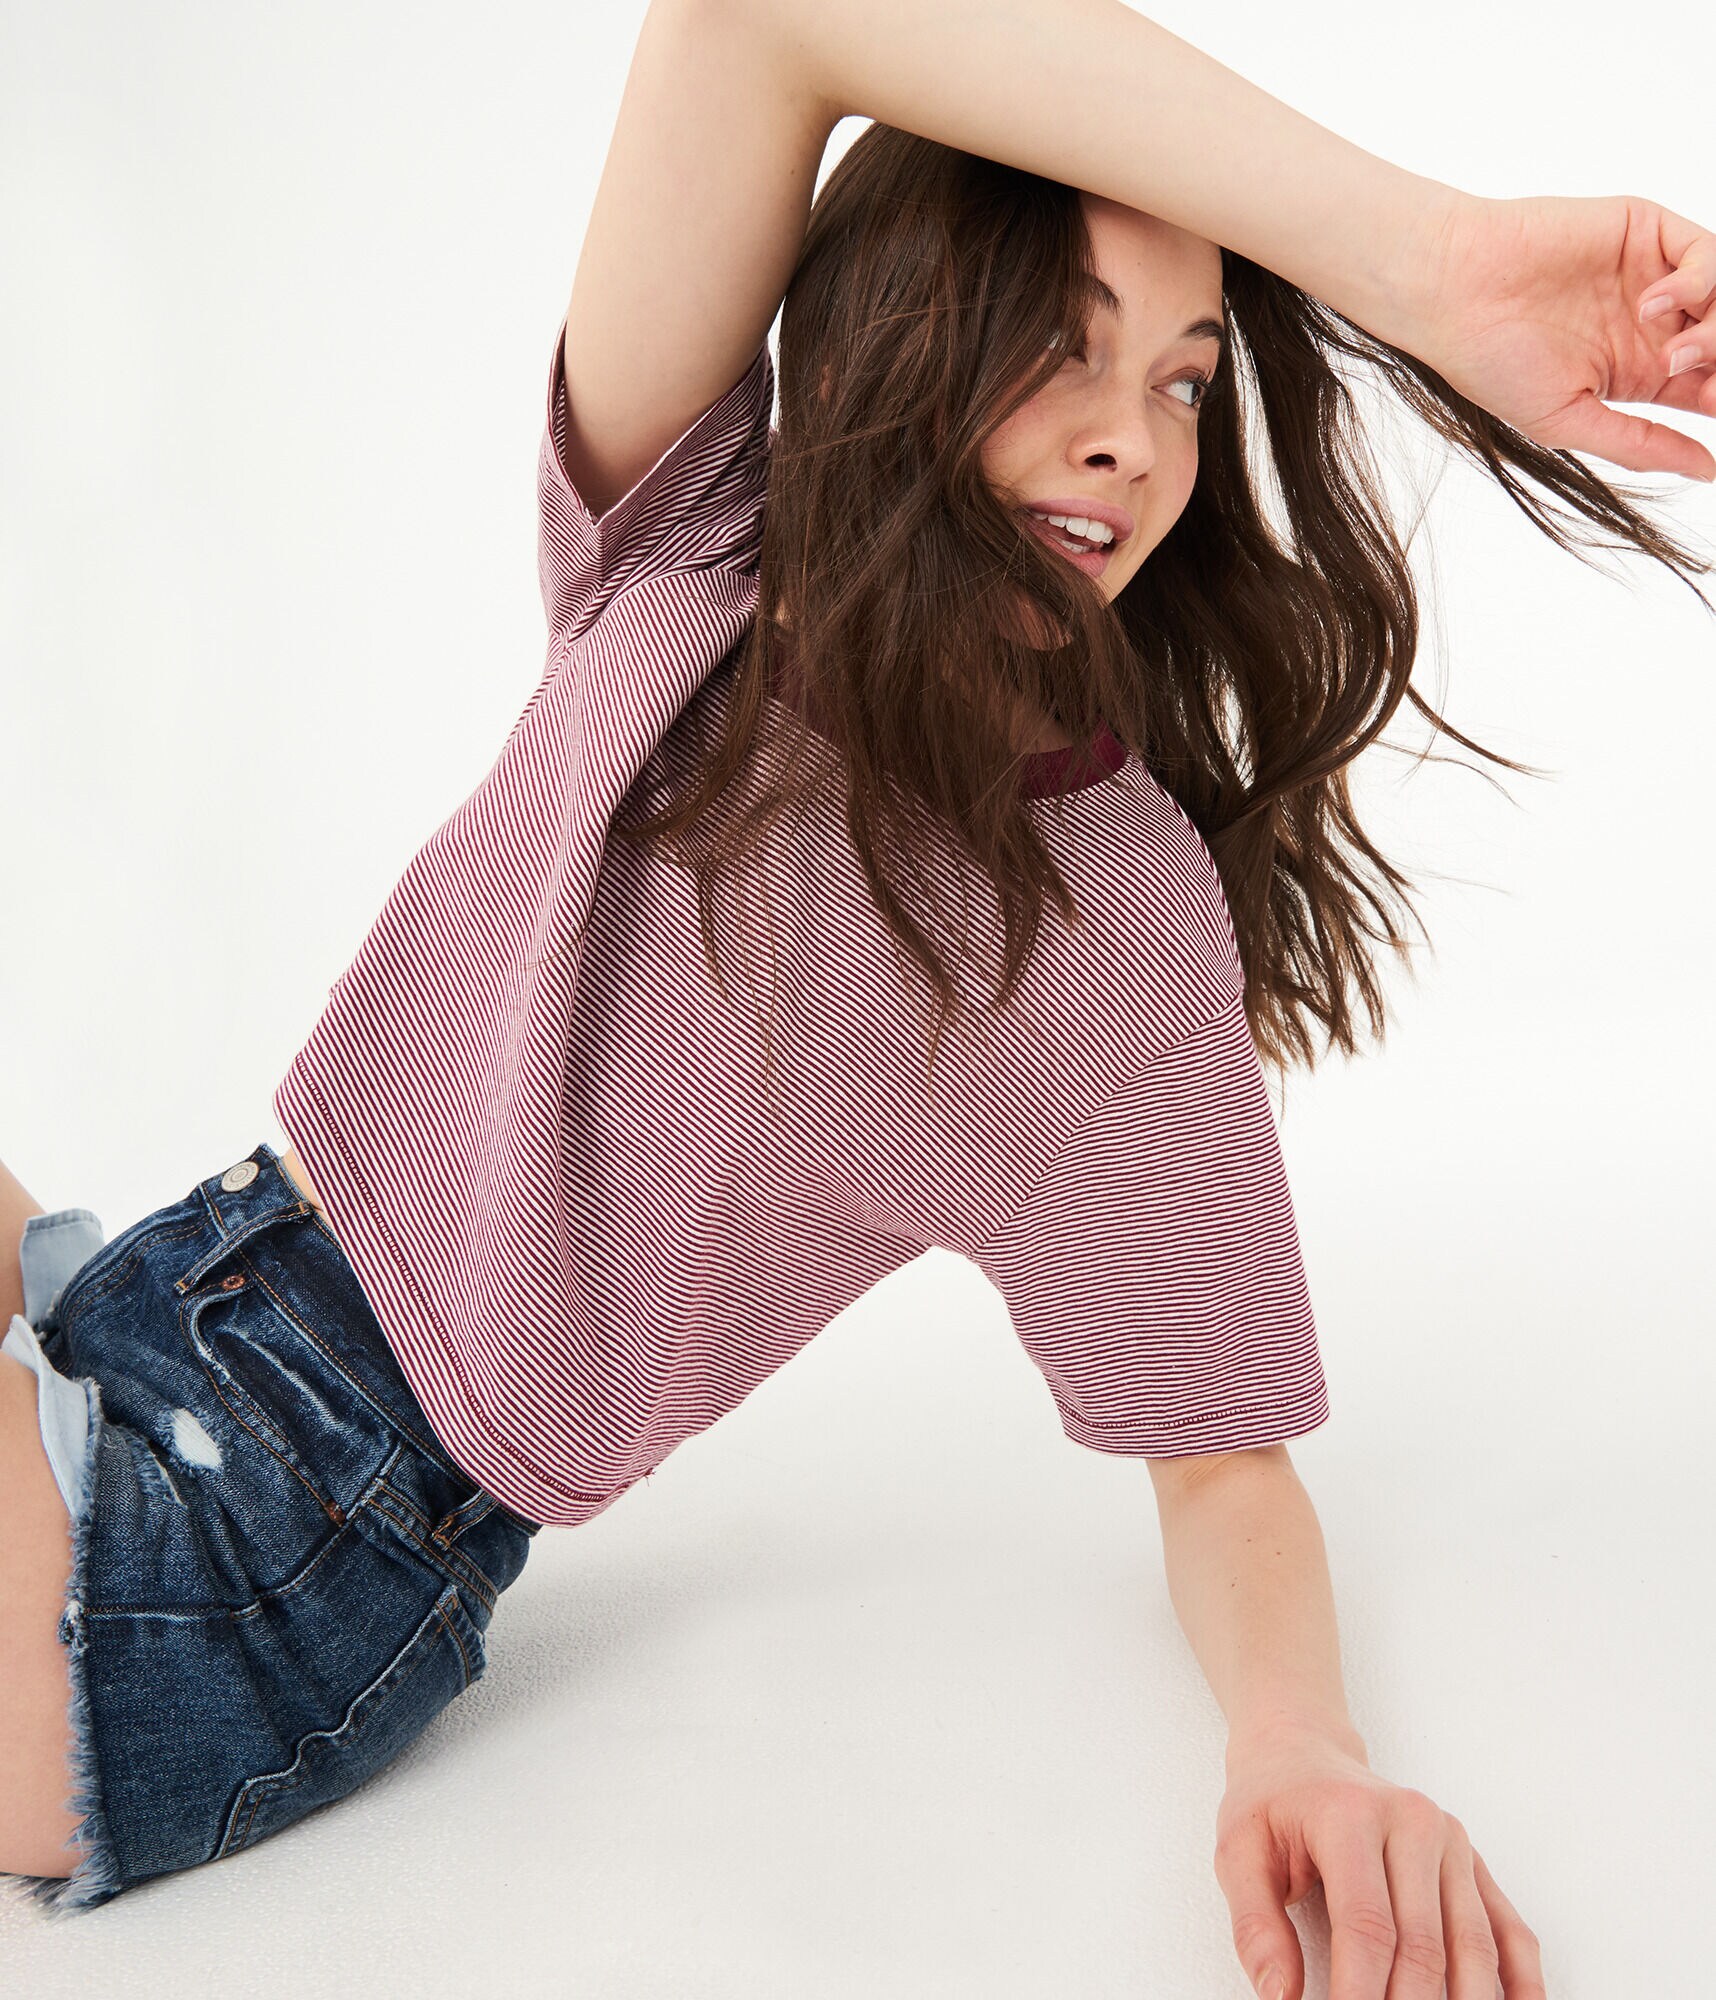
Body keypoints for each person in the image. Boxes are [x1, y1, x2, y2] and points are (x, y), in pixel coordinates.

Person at [2, 0, 1710, 1983]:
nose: (1133, 439)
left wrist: (1300, 1747)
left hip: (240, 1587)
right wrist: (1417, 254)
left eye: (1182, 376)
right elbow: (758, 15)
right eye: (1058, 344)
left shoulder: (1108, 932)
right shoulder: (697, 537)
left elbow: (1225, 1459)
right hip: (143, 1302)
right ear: (904, 338)